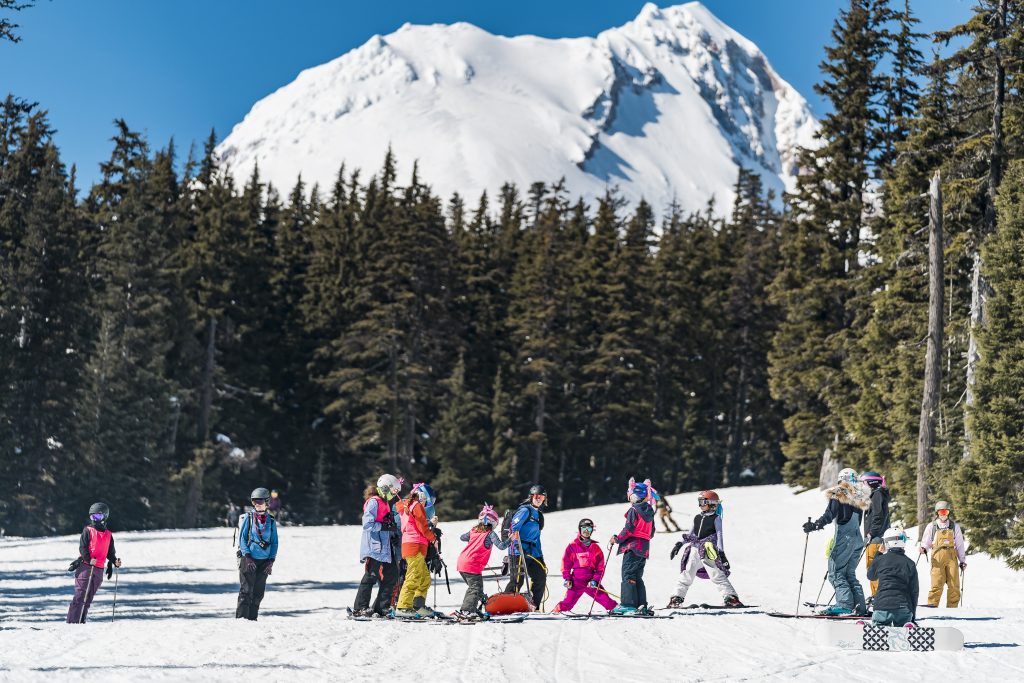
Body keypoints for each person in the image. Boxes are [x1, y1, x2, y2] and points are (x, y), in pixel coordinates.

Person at [802, 468, 871, 616]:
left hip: (844, 538)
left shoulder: (839, 492)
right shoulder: (859, 496)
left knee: (836, 573)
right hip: (857, 539)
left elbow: (830, 514)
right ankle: (860, 606)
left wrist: (815, 525)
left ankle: (845, 605)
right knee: (849, 574)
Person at [666, 490, 742, 608]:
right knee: (686, 574)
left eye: (702, 502)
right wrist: (679, 545)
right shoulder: (697, 517)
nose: (700, 505)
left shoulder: (716, 518)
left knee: (716, 573)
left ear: (711, 503)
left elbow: (719, 535)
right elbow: (690, 535)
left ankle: (731, 598)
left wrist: (721, 553)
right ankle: (676, 598)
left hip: (708, 550)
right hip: (694, 550)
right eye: (699, 502)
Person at [353, 474, 403, 618]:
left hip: (385, 548)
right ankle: (360, 607)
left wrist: (392, 533)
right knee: (371, 576)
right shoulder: (374, 502)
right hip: (374, 548)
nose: (394, 496)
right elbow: (367, 524)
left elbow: (386, 523)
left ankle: (381, 607)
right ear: (385, 487)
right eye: (393, 492)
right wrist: (384, 526)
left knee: (392, 574)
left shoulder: (385, 503)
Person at [66, 502, 122, 623]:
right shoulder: (88, 530)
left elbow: (110, 553)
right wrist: (88, 559)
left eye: (98, 517)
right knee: (81, 595)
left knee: (89, 597)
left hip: (99, 569)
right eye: (93, 517)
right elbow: (83, 548)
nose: (95, 520)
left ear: (105, 516)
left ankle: (81, 620)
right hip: (86, 567)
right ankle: (72, 622)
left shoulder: (108, 535)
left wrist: (114, 561)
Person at [608, 480, 656, 614]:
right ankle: (641, 605)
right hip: (644, 549)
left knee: (628, 574)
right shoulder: (649, 512)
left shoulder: (634, 510)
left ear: (634, 496)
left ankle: (628, 604)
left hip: (633, 547)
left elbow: (628, 528)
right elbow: (651, 532)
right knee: (637, 576)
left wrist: (617, 538)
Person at [455, 504, 509, 618]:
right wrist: (512, 539)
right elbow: (501, 546)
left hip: (462, 563)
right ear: (494, 523)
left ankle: (474, 608)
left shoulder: (473, 531)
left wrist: (474, 538)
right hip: (472, 565)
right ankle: (466, 611)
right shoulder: (490, 534)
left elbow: (462, 537)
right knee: (474, 588)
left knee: (477, 588)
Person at [552, 518, 617, 614]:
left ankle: (617, 609)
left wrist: (595, 580)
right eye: (584, 528)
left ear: (592, 531)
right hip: (576, 582)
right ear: (579, 529)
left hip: (590, 582)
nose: (586, 531)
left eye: (589, 529)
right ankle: (557, 611)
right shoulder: (572, 546)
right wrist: (567, 579)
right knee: (567, 603)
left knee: (606, 600)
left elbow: (600, 568)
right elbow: (566, 564)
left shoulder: (596, 548)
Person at [395, 482, 438, 618]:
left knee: (424, 578)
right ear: (422, 496)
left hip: (417, 546)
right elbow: (422, 526)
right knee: (413, 577)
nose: (426, 505)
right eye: (427, 501)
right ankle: (403, 607)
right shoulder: (416, 505)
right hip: (414, 545)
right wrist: (433, 538)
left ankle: (417, 605)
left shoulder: (409, 505)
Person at [236, 487, 279, 620]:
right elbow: (242, 538)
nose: (257, 504)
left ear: (266, 502)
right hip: (249, 559)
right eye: (254, 502)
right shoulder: (249, 518)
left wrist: (271, 561)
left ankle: (252, 619)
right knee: (246, 591)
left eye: (260, 501)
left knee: (258, 593)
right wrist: (247, 557)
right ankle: (242, 620)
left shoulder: (271, 521)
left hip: (264, 562)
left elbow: (274, 543)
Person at [505, 484, 548, 610]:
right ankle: (506, 604)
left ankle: (533, 605)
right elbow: (514, 528)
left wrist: (540, 556)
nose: (538, 498)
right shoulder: (525, 510)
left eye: (541, 496)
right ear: (531, 497)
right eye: (535, 496)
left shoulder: (538, 515)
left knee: (540, 576)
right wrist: (516, 545)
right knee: (517, 580)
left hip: (533, 553)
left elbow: (536, 537)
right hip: (518, 551)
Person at [867, 526, 918, 626]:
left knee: (879, 630)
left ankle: (876, 632)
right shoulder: (910, 563)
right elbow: (914, 591)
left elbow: (871, 576)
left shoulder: (880, 560)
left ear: (886, 543)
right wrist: (913, 616)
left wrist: (879, 554)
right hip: (903, 606)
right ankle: (907, 626)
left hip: (882, 605)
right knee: (903, 631)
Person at [919, 500, 967, 608]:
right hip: (937, 557)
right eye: (941, 512)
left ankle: (952, 607)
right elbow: (926, 541)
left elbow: (959, 545)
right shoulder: (932, 526)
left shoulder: (955, 526)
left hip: (951, 556)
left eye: (945, 512)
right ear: (937, 513)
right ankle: (932, 605)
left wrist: (962, 561)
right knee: (937, 583)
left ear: (949, 512)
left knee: (954, 584)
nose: (944, 515)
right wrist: (923, 548)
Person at [860, 471, 890, 600]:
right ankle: (877, 595)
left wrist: (871, 532)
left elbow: (878, 516)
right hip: (878, 537)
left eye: (864, 483)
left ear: (871, 483)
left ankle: (877, 596)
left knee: (873, 568)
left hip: (876, 538)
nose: (863, 485)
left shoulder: (877, 495)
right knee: (876, 567)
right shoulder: (878, 494)